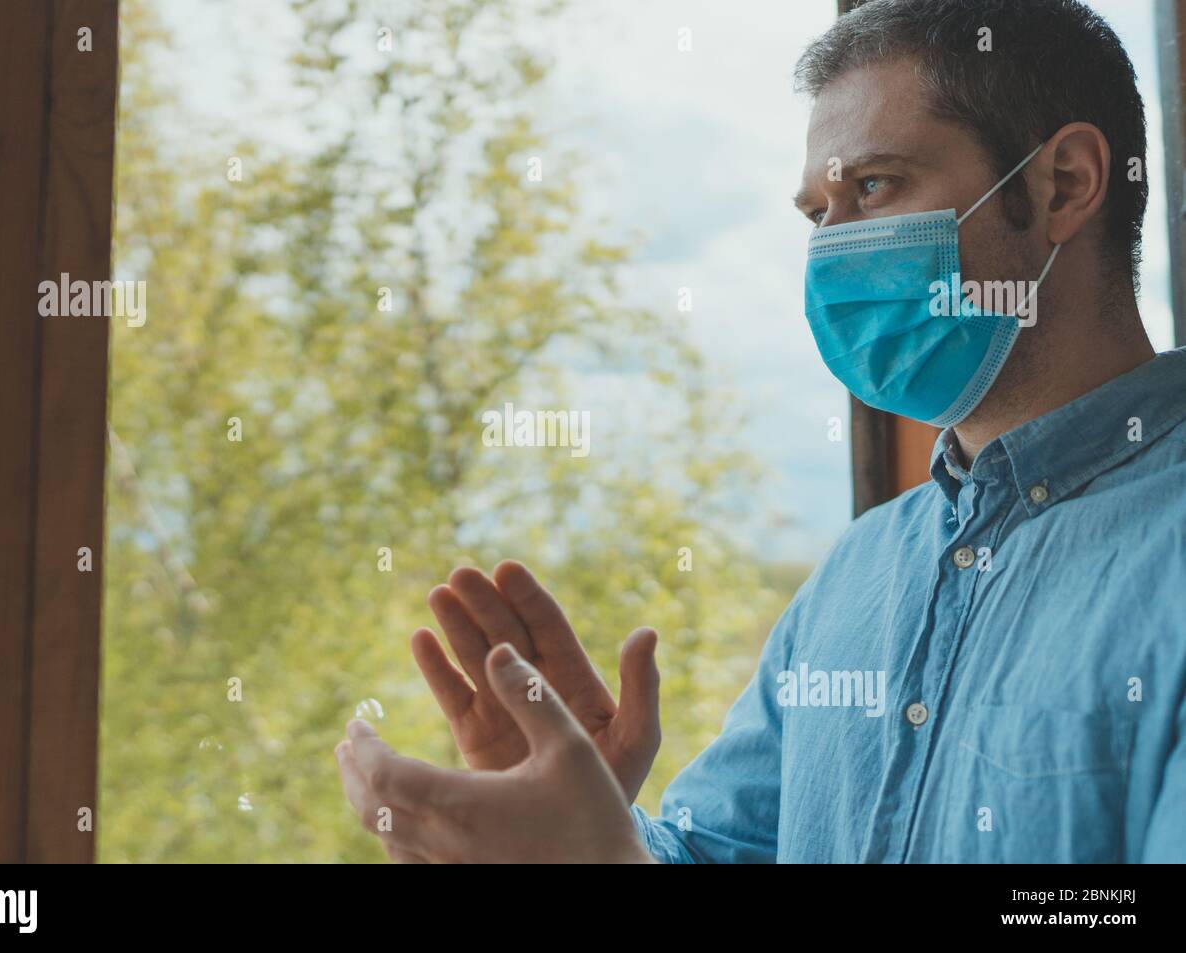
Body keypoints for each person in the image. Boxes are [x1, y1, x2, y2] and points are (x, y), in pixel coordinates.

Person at [335, 0, 1186, 863]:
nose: (830, 249)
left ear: (1065, 183)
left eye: (873, 187)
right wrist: (579, 824)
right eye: (817, 212)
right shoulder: (858, 575)